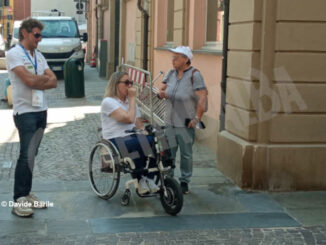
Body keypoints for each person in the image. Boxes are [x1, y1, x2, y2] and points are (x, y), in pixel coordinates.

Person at [6, 18, 57, 217]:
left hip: (40, 110)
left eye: (40, 35)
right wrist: (41, 79)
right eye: (36, 35)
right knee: (25, 154)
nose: (40, 39)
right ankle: (19, 198)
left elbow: (53, 82)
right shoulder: (14, 54)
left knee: (32, 155)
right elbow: (27, 81)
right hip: (25, 112)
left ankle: (26, 193)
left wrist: (39, 81)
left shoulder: (39, 55)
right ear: (25, 33)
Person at [158, 46, 207, 194]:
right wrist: (162, 94)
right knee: (168, 153)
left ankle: (184, 182)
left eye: (176, 57)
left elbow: (202, 98)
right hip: (169, 120)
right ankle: (169, 181)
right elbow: (162, 89)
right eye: (173, 57)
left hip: (185, 122)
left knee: (186, 154)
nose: (173, 60)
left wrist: (197, 118)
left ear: (186, 59)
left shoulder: (194, 75)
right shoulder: (170, 73)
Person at [101, 71, 159, 194]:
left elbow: (138, 123)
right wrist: (133, 98)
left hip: (132, 136)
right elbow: (128, 119)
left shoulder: (129, 102)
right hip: (115, 139)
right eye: (126, 82)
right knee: (141, 144)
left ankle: (149, 178)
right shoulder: (108, 102)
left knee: (156, 141)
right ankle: (141, 178)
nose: (130, 86)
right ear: (116, 84)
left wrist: (146, 132)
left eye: (131, 83)